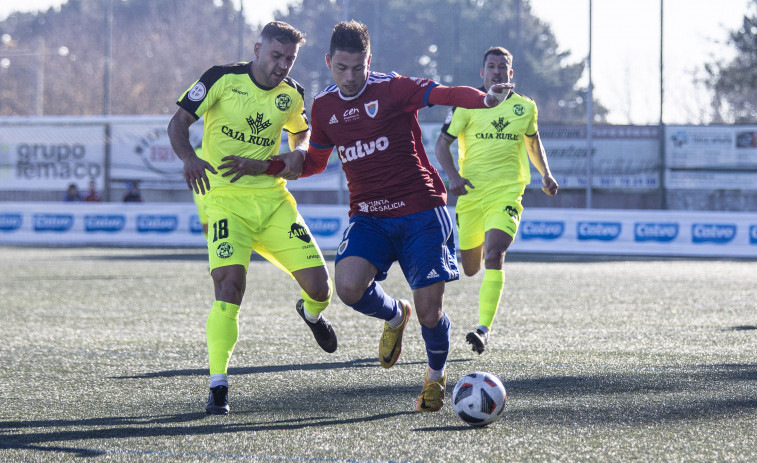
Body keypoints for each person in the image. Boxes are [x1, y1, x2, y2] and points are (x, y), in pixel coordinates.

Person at [265, 21, 512, 413]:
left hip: (420, 212)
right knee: (346, 288)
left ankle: (435, 377)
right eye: (341, 68)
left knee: (432, 312)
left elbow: (444, 92)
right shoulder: (324, 107)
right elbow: (314, 161)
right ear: (329, 62)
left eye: (358, 68)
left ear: (369, 61)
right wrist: (280, 164)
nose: (350, 77)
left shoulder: (392, 88)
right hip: (370, 216)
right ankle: (396, 315)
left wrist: (484, 100)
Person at [167, 21, 337, 416]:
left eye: (290, 59)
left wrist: (300, 149)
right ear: (257, 49)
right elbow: (178, 123)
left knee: (321, 289)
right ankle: (218, 385)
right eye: (276, 56)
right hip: (224, 201)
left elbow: (303, 134)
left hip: (274, 202)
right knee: (230, 284)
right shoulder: (220, 79)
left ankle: (309, 314)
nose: (282, 65)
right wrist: (189, 157)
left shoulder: (292, 94)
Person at [435, 47, 559, 355]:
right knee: (470, 268)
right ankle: (470, 264)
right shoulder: (466, 104)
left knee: (494, 254)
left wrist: (545, 173)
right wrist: (453, 177)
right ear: (482, 73)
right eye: (491, 66)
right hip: (471, 196)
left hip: (506, 193)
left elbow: (533, 141)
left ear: (510, 73)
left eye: (503, 66)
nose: (497, 71)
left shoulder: (525, 108)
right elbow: (441, 145)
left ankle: (483, 329)